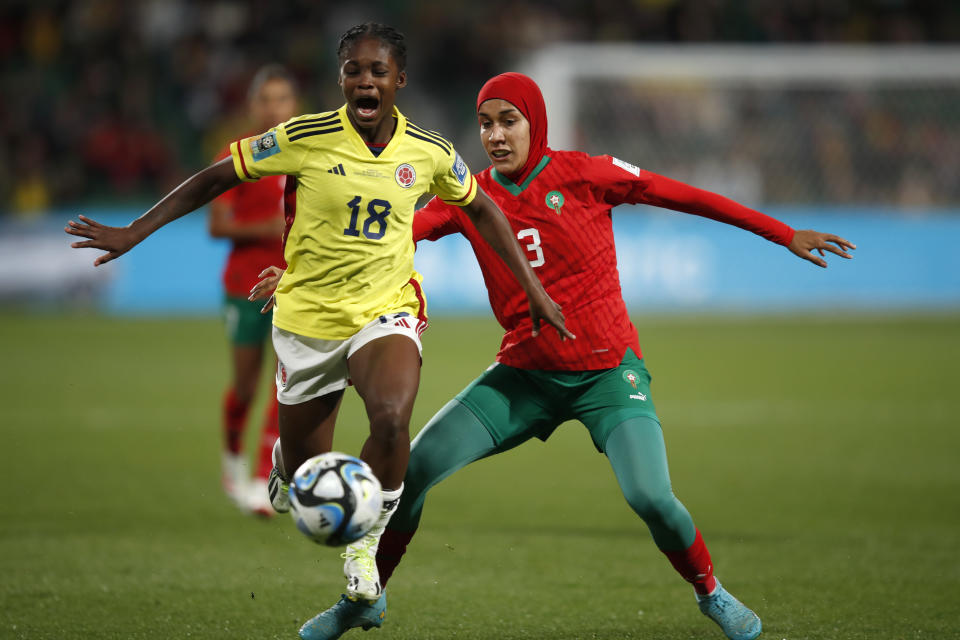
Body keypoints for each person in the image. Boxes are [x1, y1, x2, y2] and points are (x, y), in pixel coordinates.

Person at [250, 72, 855, 640]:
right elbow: (379, 233)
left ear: (534, 124)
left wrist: (783, 233)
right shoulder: (470, 195)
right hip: (524, 376)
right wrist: (300, 271)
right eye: (485, 123)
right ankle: (366, 598)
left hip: (608, 375)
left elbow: (687, 197)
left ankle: (709, 589)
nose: (495, 134)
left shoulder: (585, 174)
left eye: (508, 120)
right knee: (412, 472)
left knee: (651, 498)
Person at [66, 27, 571, 638]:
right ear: (341, 79)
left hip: (385, 309)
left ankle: (362, 551)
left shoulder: (430, 151)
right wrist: (134, 232)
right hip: (306, 321)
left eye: (378, 71)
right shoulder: (304, 137)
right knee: (309, 466)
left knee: (390, 416)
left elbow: (482, 209)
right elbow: (216, 177)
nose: (366, 80)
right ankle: (286, 461)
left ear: (398, 82)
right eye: (354, 70)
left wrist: (534, 290)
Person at [209, 64, 297, 516]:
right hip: (245, 286)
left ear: (294, 106)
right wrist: (263, 227)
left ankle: (267, 477)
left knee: (287, 382)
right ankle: (233, 460)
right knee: (245, 386)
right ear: (252, 105)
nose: (274, 109)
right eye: (267, 100)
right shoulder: (239, 155)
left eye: (282, 100)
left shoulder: (306, 153)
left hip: (292, 288)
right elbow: (216, 223)